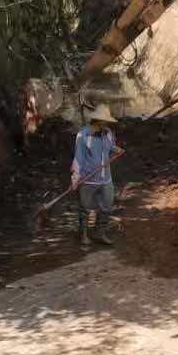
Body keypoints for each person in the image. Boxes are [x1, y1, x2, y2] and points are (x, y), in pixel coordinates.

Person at [71, 103, 122, 247]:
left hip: (106, 178)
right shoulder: (83, 134)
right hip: (88, 179)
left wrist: (116, 149)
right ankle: (84, 235)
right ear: (98, 120)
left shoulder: (108, 133)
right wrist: (76, 176)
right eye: (104, 121)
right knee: (85, 208)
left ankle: (100, 233)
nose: (106, 123)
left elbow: (110, 147)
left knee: (107, 205)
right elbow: (78, 157)